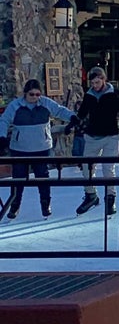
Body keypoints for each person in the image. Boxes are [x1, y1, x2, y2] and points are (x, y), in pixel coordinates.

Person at [0, 79, 77, 219]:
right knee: (18, 178)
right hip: (20, 148)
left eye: (37, 94)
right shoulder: (15, 106)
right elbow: (4, 120)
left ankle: (45, 203)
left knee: (42, 177)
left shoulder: (45, 103)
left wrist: (72, 117)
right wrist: (2, 136)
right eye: (32, 94)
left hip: (41, 147)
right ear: (25, 94)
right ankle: (15, 205)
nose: (35, 97)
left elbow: (59, 110)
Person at [74, 67, 119, 216]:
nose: (95, 85)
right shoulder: (89, 95)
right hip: (92, 136)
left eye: (97, 82)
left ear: (103, 79)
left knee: (108, 169)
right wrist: (74, 123)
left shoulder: (115, 94)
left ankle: (110, 198)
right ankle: (91, 195)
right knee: (87, 168)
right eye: (92, 83)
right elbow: (82, 113)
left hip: (111, 136)